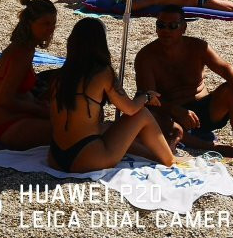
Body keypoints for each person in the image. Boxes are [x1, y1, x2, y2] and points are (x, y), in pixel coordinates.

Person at [135, 6, 233, 169]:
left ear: (183, 27)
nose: (166, 30)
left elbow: (227, 69)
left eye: (173, 26)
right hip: (172, 114)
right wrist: (176, 110)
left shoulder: (197, 47)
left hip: (205, 111)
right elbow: (149, 98)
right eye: (161, 25)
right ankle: (209, 147)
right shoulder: (146, 56)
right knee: (150, 114)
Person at [49, 18, 174, 173]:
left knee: (107, 127)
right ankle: (169, 158)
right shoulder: (101, 72)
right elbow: (130, 109)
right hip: (85, 159)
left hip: (55, 158)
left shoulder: (60, 75)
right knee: (142, 114)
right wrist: (146, 96)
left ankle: (153, 154)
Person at [0, 0, 58, 149]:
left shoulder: (25, 48)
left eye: (53, 24)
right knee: (74, 129)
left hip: (15, 120)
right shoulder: (21, 53)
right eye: (45, 24)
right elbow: (4, 100)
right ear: (30, 24)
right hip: (11, 126)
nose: (51, 29)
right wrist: (41, 111)